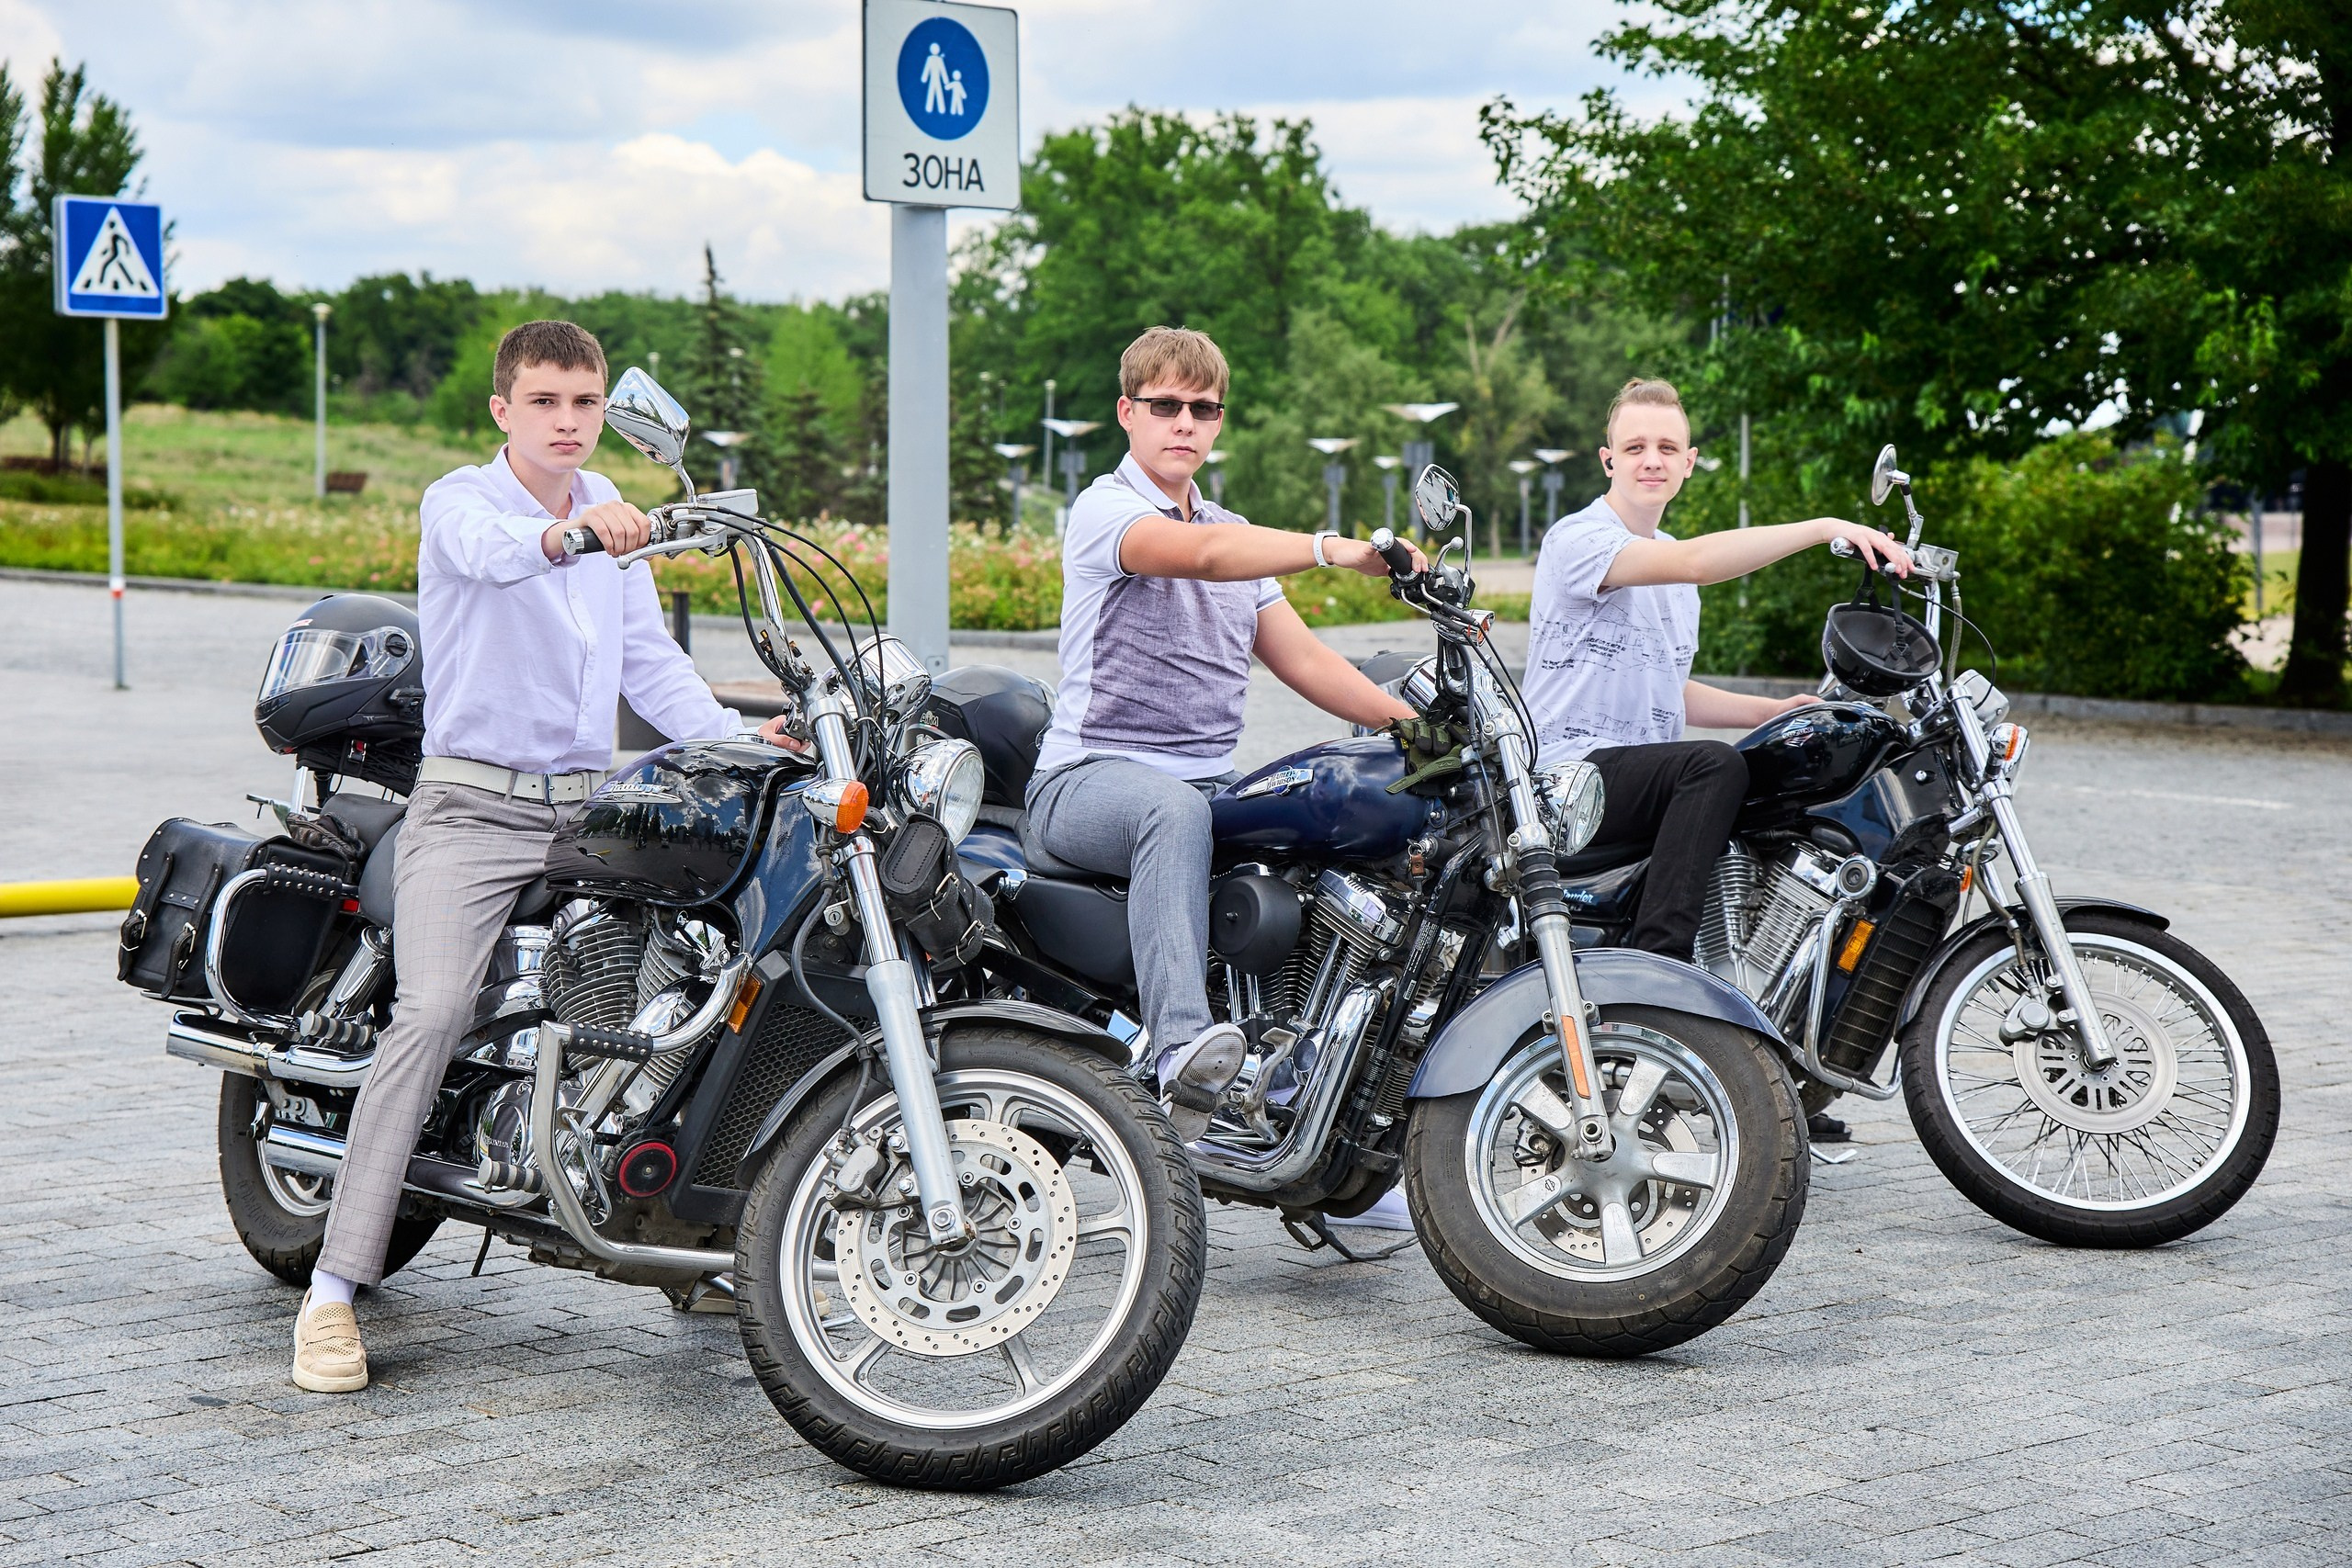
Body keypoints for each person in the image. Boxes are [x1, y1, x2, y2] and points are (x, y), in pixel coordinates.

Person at [290, 321, 799, 1394]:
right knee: (431, 1013)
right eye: (548, 403)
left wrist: (737, 738)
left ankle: (685, 1225)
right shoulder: (463, 502)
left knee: (717, 968)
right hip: (472, 807)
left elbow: (650, 669)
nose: (569, 422)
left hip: (591, 807)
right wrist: (580, 537)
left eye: (586, 403)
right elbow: (497, 558)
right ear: (504, 411)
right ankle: (333, 1291)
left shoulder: (610, 508)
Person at [1024, 326, 1422, 1142]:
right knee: (1175, 811)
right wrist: (1334, 549)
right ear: (1128, 412)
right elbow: (1202, 555)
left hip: (1205, 784)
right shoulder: (1106, 510)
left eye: (1203, 409)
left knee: (1318, 816)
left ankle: (1323, 1101)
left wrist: (1427, 732)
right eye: (1166, 405)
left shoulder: (1234, 530)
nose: (1185, 423)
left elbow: (1304, 660)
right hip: (1086, 779)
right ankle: (1178, 1050)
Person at [1521, 377, 1912, 962]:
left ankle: (1753, 957)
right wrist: (1827, 528)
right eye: (1634, 448)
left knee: (1776, 775)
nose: (1651, 460)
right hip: (1565, 781)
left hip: (1626, 778)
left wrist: (1773, 712)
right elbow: (1698, 562)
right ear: (1608, 461)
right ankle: (1663, 966)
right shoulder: (1579, 538)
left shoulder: (1673, 576)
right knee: (1712, 766)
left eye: (1667, 449)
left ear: (1689, 463)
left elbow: (1667, 688)